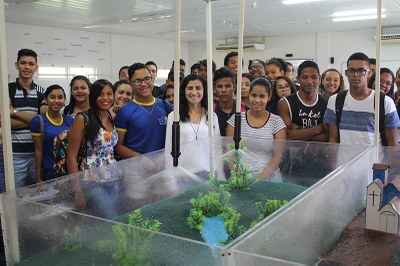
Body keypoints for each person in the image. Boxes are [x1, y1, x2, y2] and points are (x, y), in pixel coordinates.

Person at [324, 52, 400, 146]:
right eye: (351, 70)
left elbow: (392, 144)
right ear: (346, 73)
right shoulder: (335, 101)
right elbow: (333, 140)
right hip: (344, 160)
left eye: (361, 71)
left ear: (369, 73)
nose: (356, 75)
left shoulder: (385, 102)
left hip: (374, 160)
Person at [67, 79, 118, 216]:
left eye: (109, 94)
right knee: (111, 217)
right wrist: (77, 191)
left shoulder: (110, 116)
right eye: (101, 94)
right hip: (91, 181)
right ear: (93, 96)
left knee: (112, 218)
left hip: (112, 179)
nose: (105, 98)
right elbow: (71, 156)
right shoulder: (83, 119)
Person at [226, 77, 286, 180]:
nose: (257, 100)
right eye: (254, 95)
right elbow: (230, 152)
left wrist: (259, 180)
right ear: (249, 95)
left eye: (262, 96)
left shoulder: (277, 122)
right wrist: (239, 176)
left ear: (269, 96)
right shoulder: (235, 120)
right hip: (240, 178)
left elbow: (277, 156)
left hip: (268, 179)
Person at [114, 63, 173, 158]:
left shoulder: (165, 106)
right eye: (137, 81)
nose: (144, 84)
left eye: (147, 79)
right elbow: (118, 146)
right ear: (130, 84)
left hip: (164, 166)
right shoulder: (124, 112)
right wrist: (141, 159)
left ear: (152, 79)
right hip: (137, 168)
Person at [165, 74, 220, 170]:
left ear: (204, 91)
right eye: (190, 88)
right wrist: (171, 179)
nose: (194, 92)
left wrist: (220, 175)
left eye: (198, 88)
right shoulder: (174, 116)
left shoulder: (212, 116)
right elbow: (169, 148)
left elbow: (217, 148)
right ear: (184, 91)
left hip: (208, 173)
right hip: (182, 174)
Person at [9, 48, 46, 188]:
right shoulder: (7, 90)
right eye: (23, 63)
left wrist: (15, 112)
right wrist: (33, 120)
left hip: (37, 154)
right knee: (15, 195)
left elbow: (43, 123)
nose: (27, 67)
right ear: (16, 65)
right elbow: (5, 123)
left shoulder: (42, 92)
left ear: (36, 67)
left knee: (37, 196)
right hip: (14, 155)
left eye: (31, 64)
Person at [30, 85, 73, 182]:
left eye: (60, 97)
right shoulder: (38, 121)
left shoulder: (69, 121)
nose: (56, 101)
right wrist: (38, 178)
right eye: (52, 97)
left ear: (65, 100)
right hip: (49, 171)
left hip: (68, 170)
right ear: (46, 99)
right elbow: (38, 150)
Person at [277, 60, 328, 141]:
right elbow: (286, 135)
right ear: (298, 79)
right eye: (304, 77)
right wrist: (318, 129)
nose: (309, 82)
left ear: (319, 79)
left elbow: (327, 136)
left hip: (319, 153)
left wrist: (299, 132)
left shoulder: (327, 103)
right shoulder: (285, 103)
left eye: (314, 77)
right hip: (293, 153)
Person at [213, 67, 242, 136]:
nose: (223, 90)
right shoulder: (210, 113)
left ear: (234, 87)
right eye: (219, 86)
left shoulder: (244, 110)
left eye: (228, 86)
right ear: (214, 88)